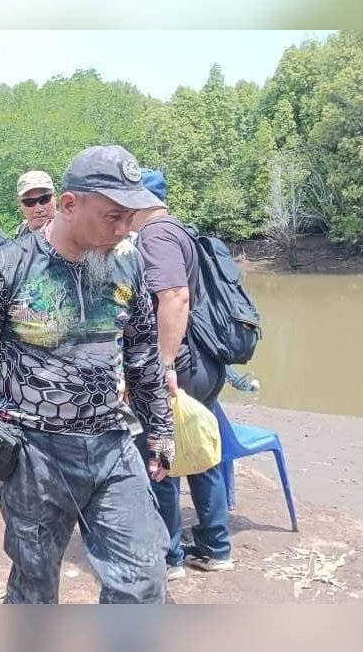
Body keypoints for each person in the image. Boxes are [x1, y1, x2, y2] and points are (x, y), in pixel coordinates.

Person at [0, 145, 174, 604]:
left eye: (131, 217)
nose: (125, 229)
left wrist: (161, 430)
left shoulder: (128, 264)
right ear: (69, 205)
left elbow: (143, 354)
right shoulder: (3, 269)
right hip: (35, 452)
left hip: (112, 442)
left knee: (144, 579)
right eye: (113, 216)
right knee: (34, 586)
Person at [131, 167, 234, 580]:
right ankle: (215, 547)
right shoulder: (181, 231)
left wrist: (164, 363)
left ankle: (168, 556)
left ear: (140, 200)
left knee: (160, 455)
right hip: (204, 361)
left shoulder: (155, 236)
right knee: (199, 450)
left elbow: (174, 296)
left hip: (182, 365)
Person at [13, 170, 56, 238]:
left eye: (44, 199)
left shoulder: (71, 230)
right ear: (20, 204)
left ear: (55, 197)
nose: (39, 209)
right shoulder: (21, 231)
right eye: (29, 202)